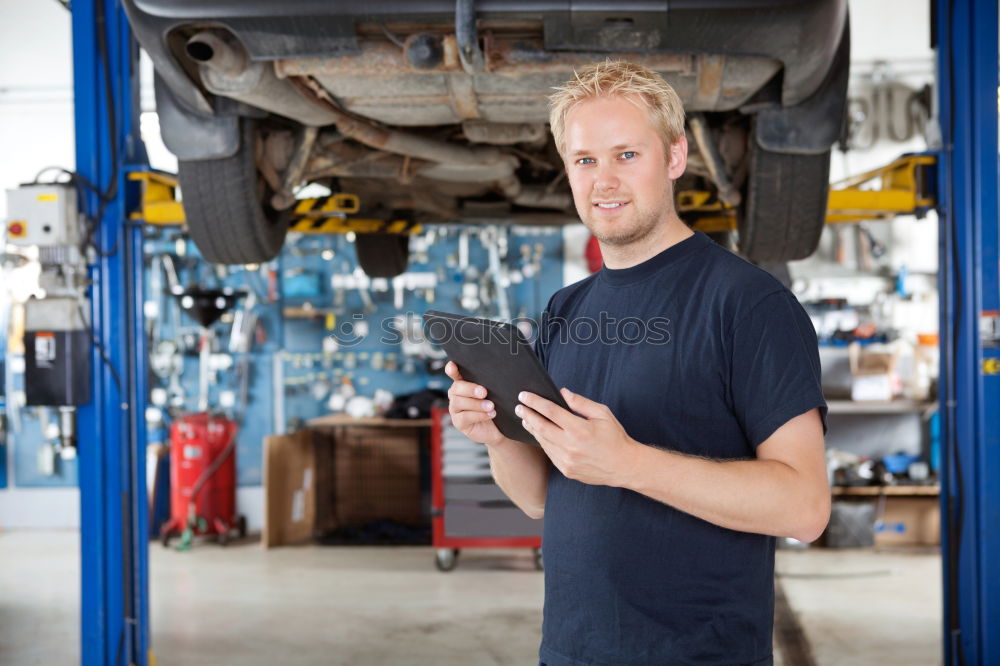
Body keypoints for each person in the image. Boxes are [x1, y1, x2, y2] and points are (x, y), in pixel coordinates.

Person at [444, 60, 829, 665]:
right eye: (585, 160)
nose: (604, 182)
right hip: (572, 652)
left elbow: (805, 508)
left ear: (674, 157)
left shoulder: (749, 304)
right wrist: (494, 437)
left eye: (626, 154)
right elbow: (542, 499)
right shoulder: (565, 308)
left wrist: (628, 463)